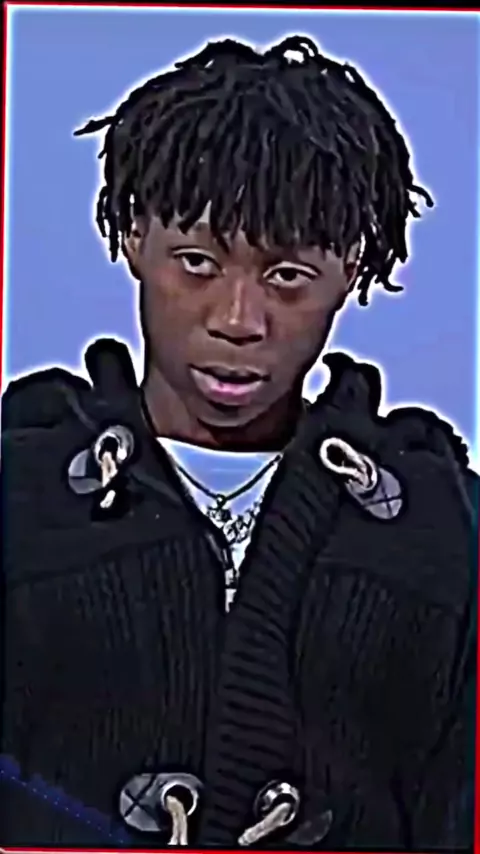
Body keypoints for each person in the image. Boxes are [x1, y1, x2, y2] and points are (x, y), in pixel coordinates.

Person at [0, 34, 477, 851]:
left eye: (287, 275)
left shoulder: (446, 531)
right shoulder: (19, 493)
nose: (237, 319)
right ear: (132, 236)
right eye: (196, 261)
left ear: (351, 267)